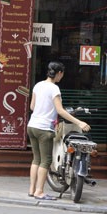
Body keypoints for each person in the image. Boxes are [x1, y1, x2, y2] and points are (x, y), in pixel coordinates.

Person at [27, 61, 91, 201]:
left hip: (32, 126)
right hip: (44, 128)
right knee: (46, 161)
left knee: (36, 159)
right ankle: (39, 191)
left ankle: (31, 190)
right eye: (62, 74)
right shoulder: (54, 89)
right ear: (59, 73)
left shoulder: (38, 85)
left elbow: (32, 107)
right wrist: (79, 122)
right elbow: (60, 110)